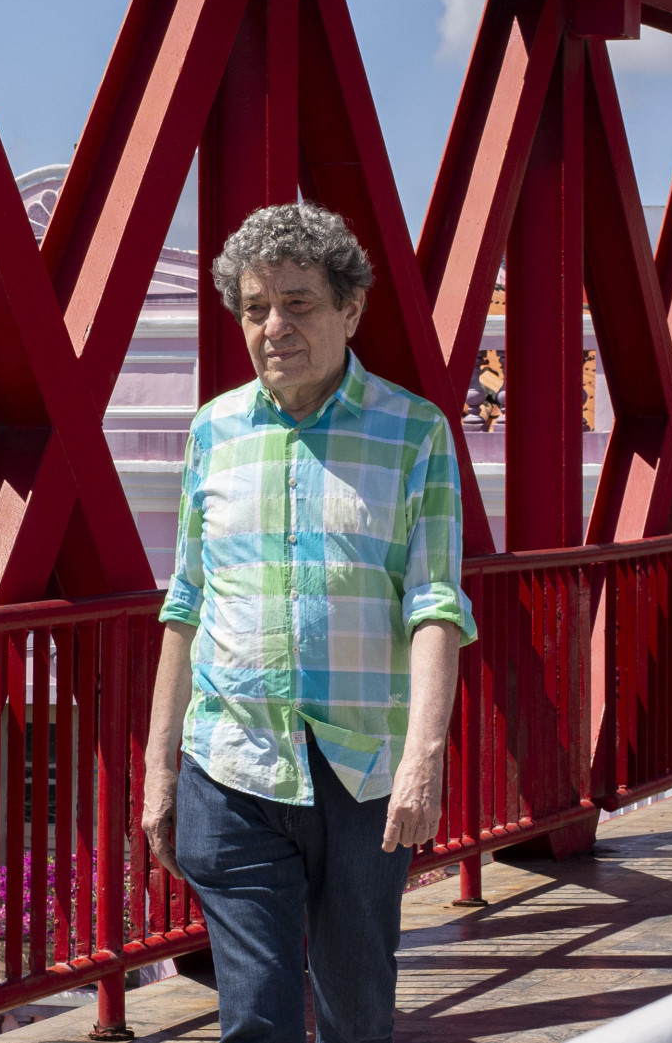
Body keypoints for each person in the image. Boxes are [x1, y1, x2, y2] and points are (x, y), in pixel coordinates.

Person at [143, 202, 473, 1043]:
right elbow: (185, 601)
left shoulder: (414, 433)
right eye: (256, 308)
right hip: (232, 763)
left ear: (350, 309)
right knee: (255, 1017)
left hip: (361, 769)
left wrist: (423, 760)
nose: (273, 327)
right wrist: (159, 767)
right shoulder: (213, 430)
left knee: (358, 1010)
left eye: (298, 303)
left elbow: (435, 605)